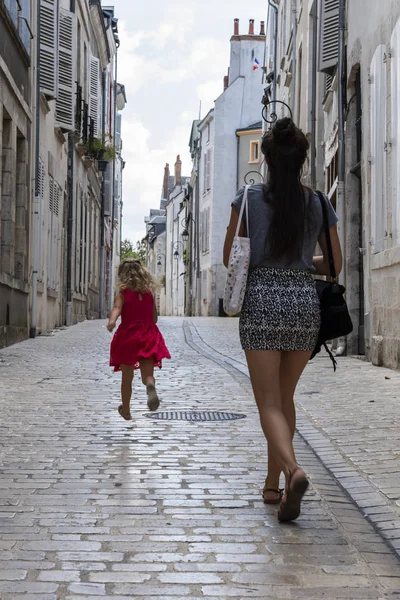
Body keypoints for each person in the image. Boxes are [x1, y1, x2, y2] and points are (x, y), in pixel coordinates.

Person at [223, 117, 342, 522]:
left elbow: (232, 258)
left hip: (262, 301)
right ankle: (273, 486)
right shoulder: (318, 202)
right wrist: (301, 261)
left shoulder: (249, 198)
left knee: (268, 403)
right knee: (284, 399)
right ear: (303, 160)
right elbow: (335, 264)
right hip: (302, 304)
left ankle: (294, 472)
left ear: (269, 160)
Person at [107, 259, 171, 420]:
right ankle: (150, 385)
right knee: (147, 375)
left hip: (128, 336)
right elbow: (154, 318)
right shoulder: (148, 294)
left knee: (127, 378)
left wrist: (112, 320)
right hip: (148, 334)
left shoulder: (122, 294)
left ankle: (127, 411)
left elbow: (117, 308)